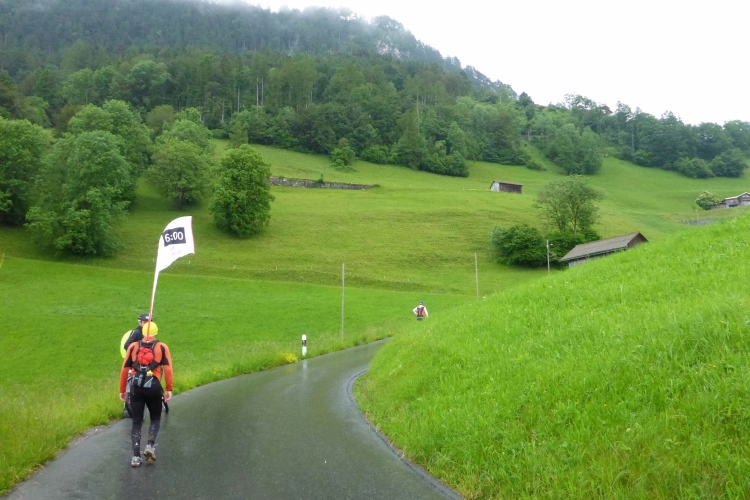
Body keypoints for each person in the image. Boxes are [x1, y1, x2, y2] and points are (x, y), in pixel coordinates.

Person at [119, 321, 173, 467]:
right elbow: (168, 369)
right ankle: (149, 445)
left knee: (136, 422)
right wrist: (169, 389)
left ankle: (136, 457)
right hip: (153, 386)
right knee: (155, 418)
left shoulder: (133, 346)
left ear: (142, 332)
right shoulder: (162, 347)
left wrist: (122, 390)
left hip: (136, 386)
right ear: (156, 332)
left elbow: (124, 370)